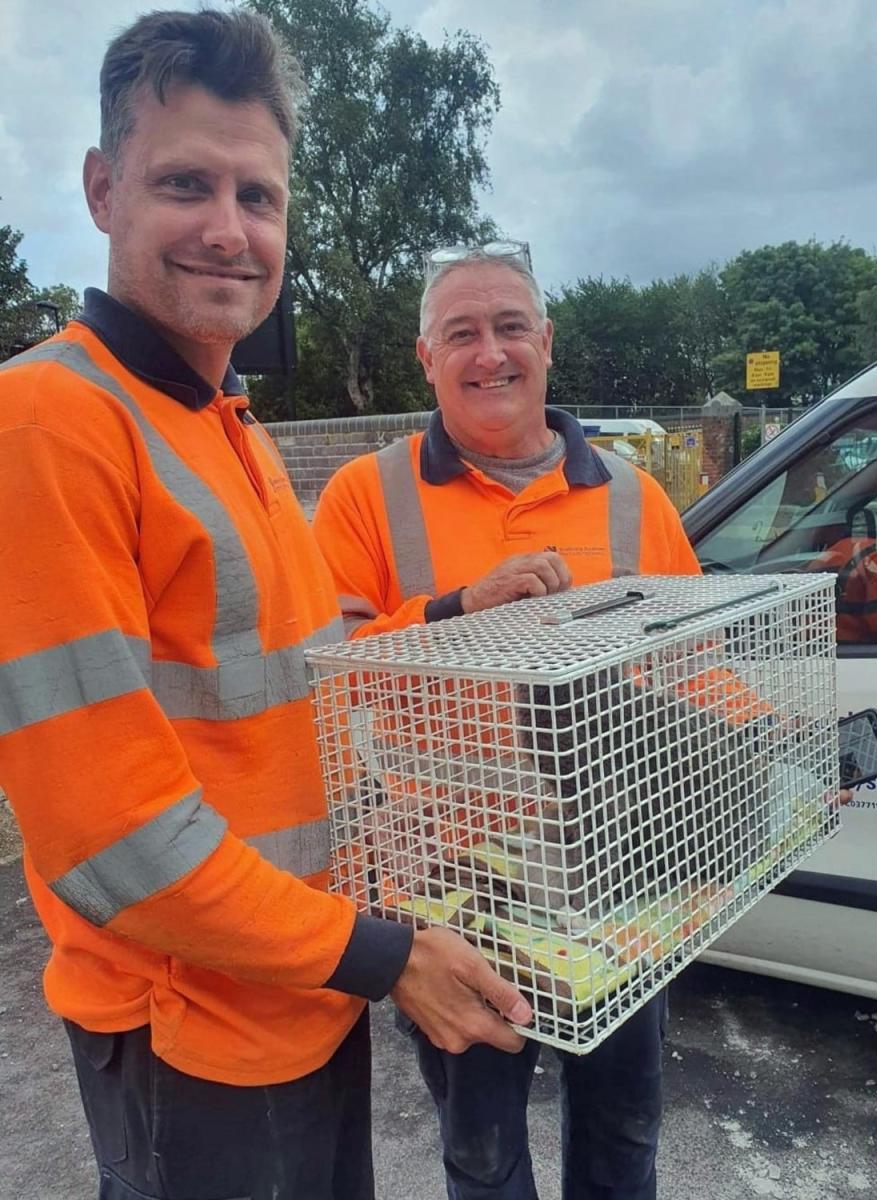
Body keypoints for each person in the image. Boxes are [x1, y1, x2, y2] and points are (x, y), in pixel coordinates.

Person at [0, 17, 530, 1200]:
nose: (230, 230)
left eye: (260, 194)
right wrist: (389, 958)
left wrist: (448, 610)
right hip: (190, 1039)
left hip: (300, 999)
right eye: (185, 183)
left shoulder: (218, 421)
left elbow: (304, 675)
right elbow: (113, 839)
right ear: (99, 188)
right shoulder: (49, 425)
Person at [313, 241, 701, 1200]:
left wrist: (783, 751)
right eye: (463, 333)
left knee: (623, 1132)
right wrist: (452, 614)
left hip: (620, 871)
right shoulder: (371, 495)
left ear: (547, 342)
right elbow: (319, 675)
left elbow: (697, 668)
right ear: (427, 358)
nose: (490, 352)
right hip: (450, 888)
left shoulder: (632, 498)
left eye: (510, 326)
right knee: (482, 1154)